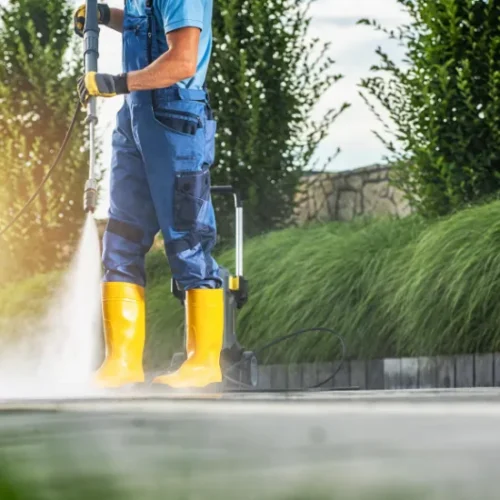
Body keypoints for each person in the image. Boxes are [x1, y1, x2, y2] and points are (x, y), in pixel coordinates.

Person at [74, 0, 223, 390]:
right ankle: (120, 364)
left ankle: (205, 363)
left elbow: (182, 61)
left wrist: (116, 82)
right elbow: (149, 29)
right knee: (120, 240)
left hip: (175, 116)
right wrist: (107, 17)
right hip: (134, 116)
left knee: (188, 239)